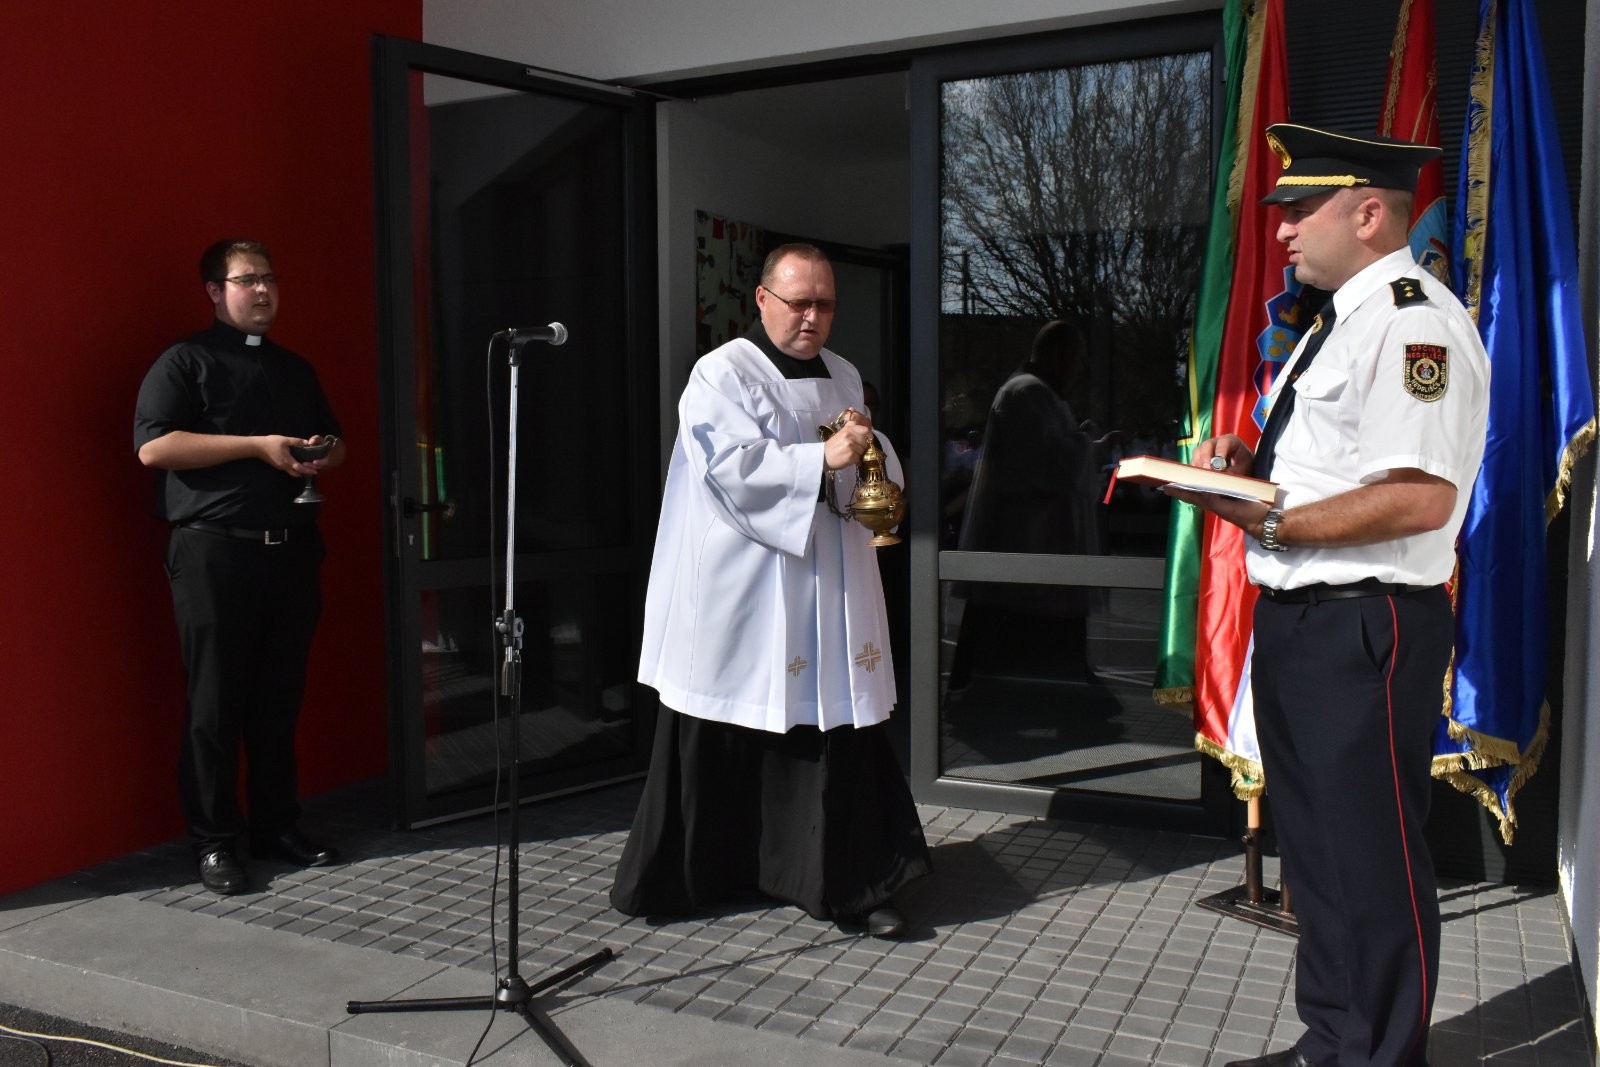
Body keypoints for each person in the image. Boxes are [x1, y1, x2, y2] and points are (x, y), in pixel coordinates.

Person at [1173, 126, 1490, 1067]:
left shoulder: (1410, 319)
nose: (1280, 231)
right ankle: (1335, 1040)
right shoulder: (1335, 319)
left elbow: (1418, 493)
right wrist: (1244, 469)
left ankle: (1378, 1054)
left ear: (1366, 213)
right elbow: (1324, 471)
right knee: (1315, 857)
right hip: (1304, 619)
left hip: (1363, 618)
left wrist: (1268, 521)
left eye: (1297, 209)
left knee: (1369, 859)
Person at [612, 243, 931, 938]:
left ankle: (853, 882)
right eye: (799, 303)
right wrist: (822, 457)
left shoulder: (844, 372)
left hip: (830, 581)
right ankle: (706, 872)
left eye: (825, 304)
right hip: (749, 586)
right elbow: (731, 468)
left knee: (836, 725)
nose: (813, 318)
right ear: (761, 299)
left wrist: (876, 466)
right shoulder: (720, 374)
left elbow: (864, 459)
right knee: (729, 719)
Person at [134, 239, 346, 896]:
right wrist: (257, 446)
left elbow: (335, 446)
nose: (262, 291)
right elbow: (154, 447)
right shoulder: (185, 361)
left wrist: (321, 452)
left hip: (289, 552)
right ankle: (216, 841)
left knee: (278, 699)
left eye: (270, 279)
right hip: (213, 552)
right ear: (214, 291)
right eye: (246, 279)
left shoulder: (294, 369)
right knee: (215, 704)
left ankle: (276, 825)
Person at [950, 320, 1110, 687]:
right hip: (1027, 543)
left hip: (1039, 543)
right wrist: (1092, 445)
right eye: (1078, 357)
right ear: (1059, 354)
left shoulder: (1040, 394)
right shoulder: (1027, 393)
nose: (1080, 367)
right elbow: (1044, 466)